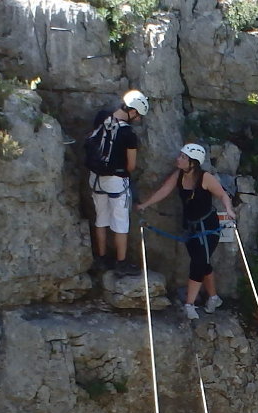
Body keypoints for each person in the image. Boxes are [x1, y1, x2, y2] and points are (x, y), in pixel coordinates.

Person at [139, 142, 236, 318]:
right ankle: (214, 298)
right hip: (191, 227)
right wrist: (145, 205)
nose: (179, 159)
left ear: (193, 162)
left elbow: (222, 194)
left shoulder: (205, 178)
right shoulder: (179, 175)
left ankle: (189, 305)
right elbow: (164, 190)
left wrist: (229, 210)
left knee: (198, 263)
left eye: (183, 157)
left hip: (208, 228)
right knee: (202, 262)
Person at [86, 90, 147, 270]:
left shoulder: (102, 117)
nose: (138, 119)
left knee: (101, 218)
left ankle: (102, 258)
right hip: (116, 180)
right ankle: (121, 263)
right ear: (133, 111)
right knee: (120, 222)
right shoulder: (129, 134)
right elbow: (131, 166)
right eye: (138, 116)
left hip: (95, 177)